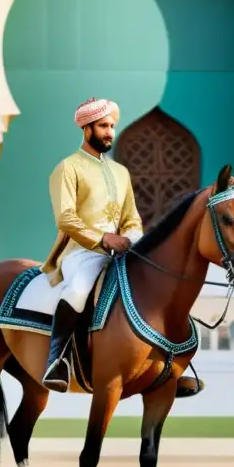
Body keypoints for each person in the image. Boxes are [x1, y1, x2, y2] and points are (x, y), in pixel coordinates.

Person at [39, 98, 145, 392]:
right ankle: (57, 359)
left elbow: (131, 218)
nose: (110, 132)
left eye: (112, 126)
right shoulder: (68, 168)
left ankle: (174, 358)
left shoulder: (121, 173)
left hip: (121, 252)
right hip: (81, 253)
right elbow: (66, 219)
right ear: (86, 129)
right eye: (103, 126)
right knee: (79, 288)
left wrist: (133, 239)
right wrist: (102, 239)